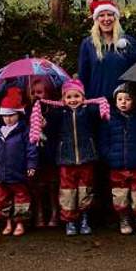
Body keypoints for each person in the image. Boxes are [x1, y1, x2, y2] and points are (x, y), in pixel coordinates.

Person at [29, 79, 110, 236]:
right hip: (66, 159)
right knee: (67, 192)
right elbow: (51, 132)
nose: (73, 100)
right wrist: (45, 124)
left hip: (86, 157)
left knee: (85, 190)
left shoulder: (88, 112)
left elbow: (100, 121)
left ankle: (84, 218)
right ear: (63, 99)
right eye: (69, 97)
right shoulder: (58, 113)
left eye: (76, 96)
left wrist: (100, 105)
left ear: (83, 97)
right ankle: (70, 220)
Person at [99, 83, 136, 235]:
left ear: (134, 101)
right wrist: (108, 154)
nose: (123, 102)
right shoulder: (109, 119)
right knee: (120, 195)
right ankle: (124, 219)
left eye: (127, 99)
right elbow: (103, 141)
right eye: (120, 99)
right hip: (117, 165)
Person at [77, 0, 136, 100]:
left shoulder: (128, 42)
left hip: (123, 103)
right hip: (97, 103)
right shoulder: (88, 44)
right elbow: (83, 76)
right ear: (96, 19)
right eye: (101, 15)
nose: (106, 19)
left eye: (110, 14)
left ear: (115, 18)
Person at [0, 88, 37, 237]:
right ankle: (7, 222)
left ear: (18, 114)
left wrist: (31, 165)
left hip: (18, 173)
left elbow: (31, 150)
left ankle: (20, 223)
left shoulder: (24, 131)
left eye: (11, 115)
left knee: (21, 199)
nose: (8, 119)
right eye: (5, 115)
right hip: (1, 175)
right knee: (2, 200)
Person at [25, 77, 60, 228]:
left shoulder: (54, 110)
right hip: (35, 154)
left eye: (39, 92)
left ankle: (55, 211)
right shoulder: (27, 110)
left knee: (52, 183)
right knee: (37, 185)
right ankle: (39, 212)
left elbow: (59, 132)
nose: (36, 95)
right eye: (33, 92)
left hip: (50, 152)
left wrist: (47, 125)